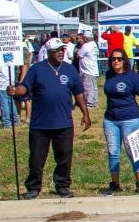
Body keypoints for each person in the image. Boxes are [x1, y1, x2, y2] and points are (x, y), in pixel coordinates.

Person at [8, 37, 91, 199]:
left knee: (64, 157)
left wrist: (85, 114)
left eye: (63, 49)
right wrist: (16, 90)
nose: (61, 52)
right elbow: (24, 87)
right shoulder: (36, 69)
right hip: (41, 124)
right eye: (57, 50)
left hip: (64, 122)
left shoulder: (69, 69)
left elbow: (79, 93)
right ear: (48, 52)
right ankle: (33, 187)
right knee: (37, 158)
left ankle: (62, 185)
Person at [101, 49, 139, 196]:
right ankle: (115, 184)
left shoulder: (132, 77)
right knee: (113, 152)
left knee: (133, 151)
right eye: (113, 59)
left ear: (124, 60)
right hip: (110, 119)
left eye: (119, 59)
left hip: (130, 118)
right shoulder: (109, 75)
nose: (116, 61)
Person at [77, 32, 100, 108]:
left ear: (86, 38)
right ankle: (95, 102)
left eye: (83, 37)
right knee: (94, 87)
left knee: (88, 87)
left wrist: (77, 51)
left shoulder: (86, 45)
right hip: (93, 69)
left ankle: (90, 103)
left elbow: (79, 55)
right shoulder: (94, 44)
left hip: (87, 70)